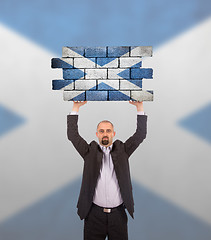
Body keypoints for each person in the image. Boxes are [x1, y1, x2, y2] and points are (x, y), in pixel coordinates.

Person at [67, 100, 147, 240]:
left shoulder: (123, 150)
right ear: (97, 134)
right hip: (93, 215)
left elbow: (140, 135)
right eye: (102, 131)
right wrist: (76, 107)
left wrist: (139, 107)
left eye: (108, 131)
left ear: (113, 134)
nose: (105, 134)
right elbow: (73, 136)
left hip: (118, 216)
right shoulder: (89, 152)